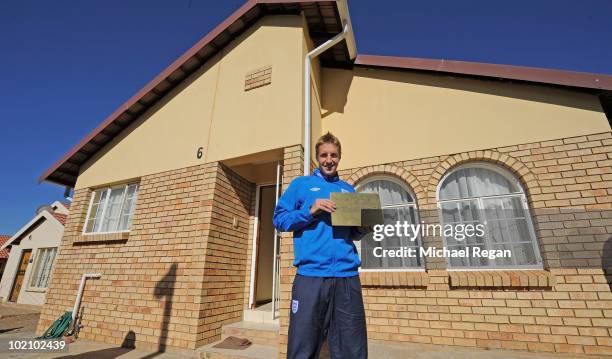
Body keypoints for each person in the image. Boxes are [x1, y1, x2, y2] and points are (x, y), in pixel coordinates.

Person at [273, 132, 369, 359]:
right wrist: (310, 211)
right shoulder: (301, 185)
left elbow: (352, 233)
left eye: (333, 155)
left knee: (352, 348)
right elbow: (280, 220)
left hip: (346, 277)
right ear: (317, 158)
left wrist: (364, 227)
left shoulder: (349, 190)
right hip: (311, 276)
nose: (329, 160)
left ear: (339, 157)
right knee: (303, 345)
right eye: (324, 155)